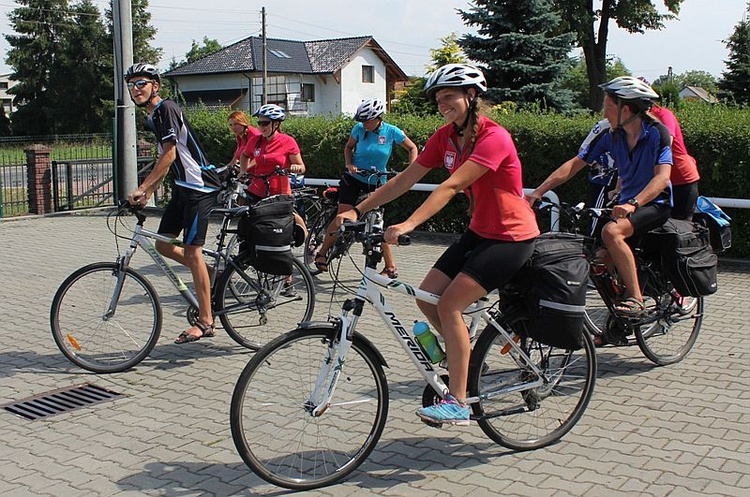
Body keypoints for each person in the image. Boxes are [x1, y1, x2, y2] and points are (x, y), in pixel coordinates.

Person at [333, 64, 539, 426]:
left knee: (449, 306)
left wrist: (409, 223)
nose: (443, 104)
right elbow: (404, 180)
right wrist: (358, 211)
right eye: (439, 98)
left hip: (511, 237)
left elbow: (451, 186)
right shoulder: (445, 137)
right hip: (480, 231)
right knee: (426, 295)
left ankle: (458, 402)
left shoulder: (494, 136)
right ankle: (466, 357)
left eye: (449, 96)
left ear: (471, 96)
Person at [527, 76, 672, 325]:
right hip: (624, 204)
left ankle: (637, 297)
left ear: (625, 108)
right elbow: (574, 165)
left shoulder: (657, 133)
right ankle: (617, 324)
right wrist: (538, 192)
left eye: (608, 106)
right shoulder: (610, 134)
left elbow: (662, 179)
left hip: (654, 203)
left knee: (612, 233)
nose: (604, 112)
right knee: (599, 260)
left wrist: (633, 203)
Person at [124, 63, 221, 344]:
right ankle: (210, 272)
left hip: (200, 188)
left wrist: (143, 188)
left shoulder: (166, 108)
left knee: (193, 253)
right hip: (182, 189)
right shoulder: (152, 117)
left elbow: (169, 155)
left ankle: (206, 321)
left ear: (155, 85)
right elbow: (164, 162)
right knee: (164, 244)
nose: (135, 89)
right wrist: (147, 191)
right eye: (131, 84)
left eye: (141, 83)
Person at [313, 98, 418, 276]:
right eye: (362, 121)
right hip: (354, 178)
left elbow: (412, 148)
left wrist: (410, 170)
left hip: (377, 181)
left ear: (378, 118)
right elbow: (348, 148)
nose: (364, 124)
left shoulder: (392, 131)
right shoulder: (359, 130)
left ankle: (390, 266)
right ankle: (322, 253)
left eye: (368, 121)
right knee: (342, 216)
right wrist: (349, 164)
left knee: (376, 223)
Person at [238, 104, 307, 244]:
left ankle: (308, 241)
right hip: (257, 189)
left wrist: (295, 167)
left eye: (265, 123)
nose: (261, 127)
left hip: (279, 190)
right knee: (248, 222)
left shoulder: (287, 141)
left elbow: (302, 167)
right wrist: (243, 171)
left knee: (286, 219)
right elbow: (244, 155)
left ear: (276, 124)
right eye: (259, 123)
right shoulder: (255, 141)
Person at [649, 102, 700, 220]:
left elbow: (666, 142)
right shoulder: (631, 122)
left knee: (680, 227)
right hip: (655, 182)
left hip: (681, 179)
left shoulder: (663, 114)